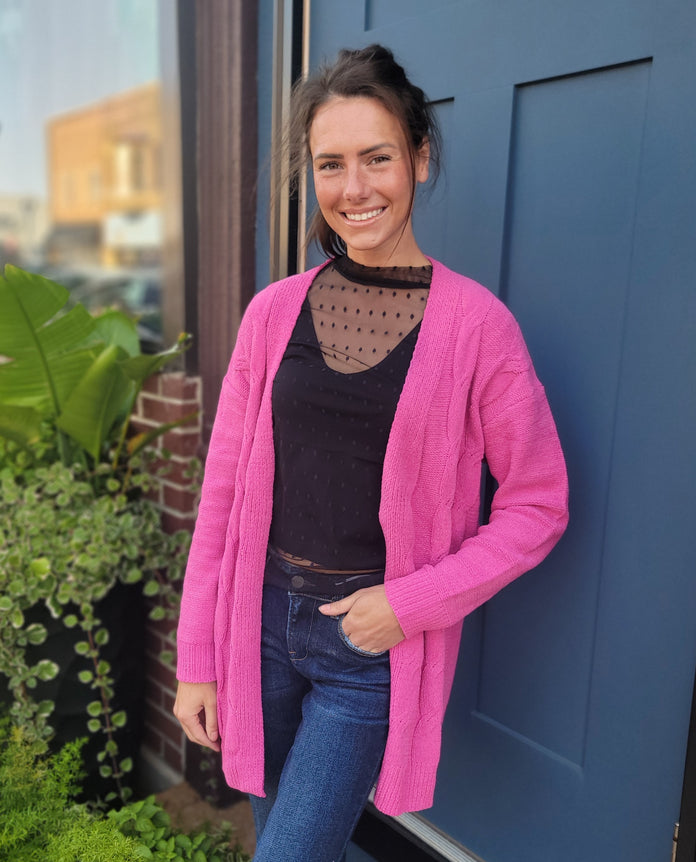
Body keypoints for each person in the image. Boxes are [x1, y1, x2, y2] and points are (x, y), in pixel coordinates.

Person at [174, 44, 568, 862]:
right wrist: (196, 660)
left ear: (418, 160)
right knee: (287, 830)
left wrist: (411, 604)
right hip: (259, 628)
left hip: (368, 645)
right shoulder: (272, 313)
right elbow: (223, 496)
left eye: (377, 158)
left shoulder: (478, 329)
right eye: (331, 164)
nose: (354, 189)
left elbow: (538, 504)